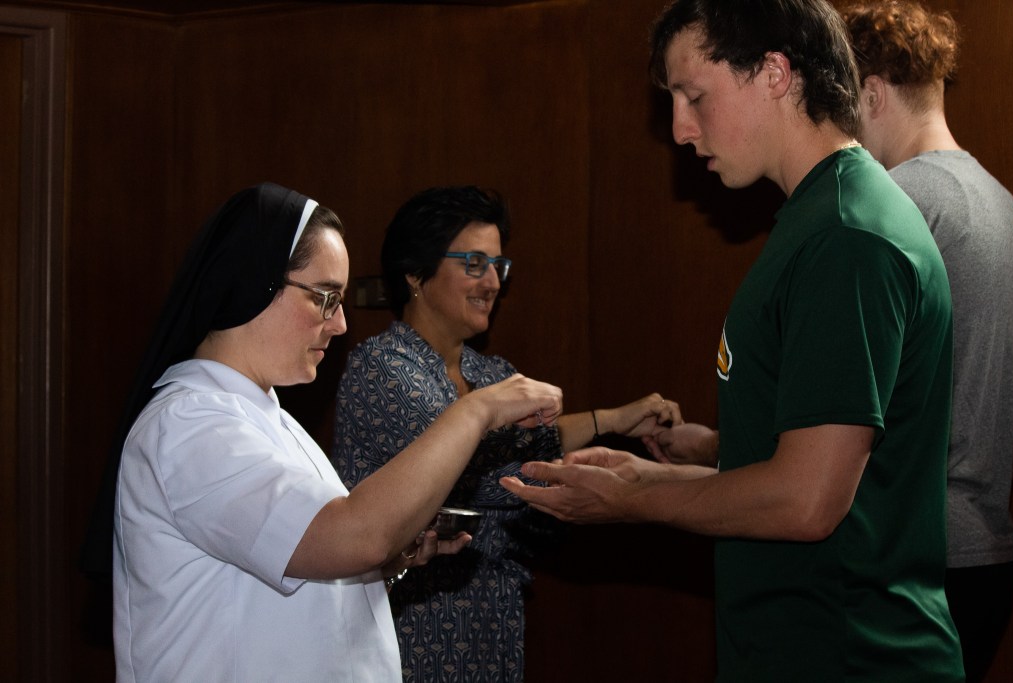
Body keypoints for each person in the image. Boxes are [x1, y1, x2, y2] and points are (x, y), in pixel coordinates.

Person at [501, 1, 966, 680]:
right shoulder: (818, 216)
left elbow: (807, 499)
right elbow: (801, 465)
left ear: (776, 73)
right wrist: (647, 474)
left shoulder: (847, 235)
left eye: (694, 96)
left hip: (852, 654)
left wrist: (630, 501)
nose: (681, 130)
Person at [81, 182, 562, 682]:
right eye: (325, 298)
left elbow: (313, 565)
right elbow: (356, 533)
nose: (339, 324)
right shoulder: (190, 425)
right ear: (257, 282)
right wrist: (475, 412)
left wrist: (390, 561)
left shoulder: (271, 418)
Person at [333, 184, 680, 683]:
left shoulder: (491, 372)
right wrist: (624, 465)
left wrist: (612, 422)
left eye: (499, 266)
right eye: (474, 263)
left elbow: (522, 449)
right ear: (415, 272)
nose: (493, 282)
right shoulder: (384, 370)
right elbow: (493, 474)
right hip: (414, 626)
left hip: (492, 622)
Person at [841, 3, 1013, 680]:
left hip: (912, 560)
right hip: (987, 557)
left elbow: (860, 403)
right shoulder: (1001, 202)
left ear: (872, 92)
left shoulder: (895, 201)